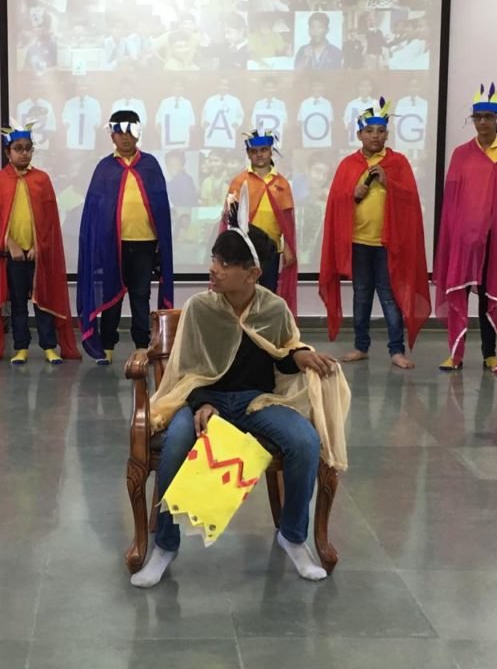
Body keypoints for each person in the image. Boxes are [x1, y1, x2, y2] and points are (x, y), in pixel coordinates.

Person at [130, 219, 349, 588]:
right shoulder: (200, 308)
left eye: (226, 263)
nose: (214, 269)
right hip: (203, 399)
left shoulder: (274, 309)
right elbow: (188, 371)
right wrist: (202, 403)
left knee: (305, 442)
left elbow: (280, 352)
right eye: (214, 259)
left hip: (257, 401)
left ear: (253, 273)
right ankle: (165, 546)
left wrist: (300, 356)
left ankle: (293, 537)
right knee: (176, 442)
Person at [318, 98, 430, 369]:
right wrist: (351, 194)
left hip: (387, 244)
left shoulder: (398, 163)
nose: (375, 136)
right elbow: (335, 203)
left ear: (387, 134)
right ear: (359, 135)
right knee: (361, 294)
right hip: (358, 242)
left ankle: (396, 349)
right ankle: (361, 346)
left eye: (380, 131)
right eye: (369, 131)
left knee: (389, 296)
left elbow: (410, 200)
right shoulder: (348, 165)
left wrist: (388, 182)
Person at [434, 84, 497, 372]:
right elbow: (453, 199)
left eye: (488, 117)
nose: (482, 122)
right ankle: (456, 354)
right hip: (464, 238)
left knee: (488, 295)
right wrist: (458, 233)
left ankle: (489, 353)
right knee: (458, 294)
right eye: (478, 117)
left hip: (494, 239)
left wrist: (488, 228)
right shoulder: (461, 154)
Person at [77, 111, 174, 364]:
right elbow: (95, 212)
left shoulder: (150, 165)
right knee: (112, 296)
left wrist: (160, 244)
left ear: (138, 133)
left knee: (141, 295)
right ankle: (107, 346)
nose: (125, 138)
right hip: (113, 245)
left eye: (130, 132)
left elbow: (160, 207)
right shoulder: (105, 168)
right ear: (112, 136)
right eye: (120, 133)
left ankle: (142, 345)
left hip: (145, 243)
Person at [0, 124, 80, 365]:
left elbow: (49, 221)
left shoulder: (42, 179)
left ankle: (49, 346)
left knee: (43, 301)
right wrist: (10, 243)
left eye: (28, 148)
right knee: (18, 303)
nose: (24, 153)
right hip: (13, 255)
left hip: (38, 253)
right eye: (18, 149)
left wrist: (38, 245)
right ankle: (21, 347)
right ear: (8, 152)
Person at [221, 131, 298, 314]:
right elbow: (230, 218)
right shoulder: (240, 181)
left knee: (267, 294)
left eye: (264, 150)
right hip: (245, 249)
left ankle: (265, 328)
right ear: (248, 154)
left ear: (271, 151)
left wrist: (288, 246)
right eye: (254, 151)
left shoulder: (282, 183)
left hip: (271, 249)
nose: (259, 155)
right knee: (243, 293)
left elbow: (287, 221)